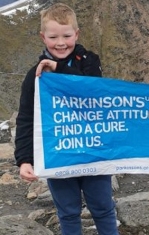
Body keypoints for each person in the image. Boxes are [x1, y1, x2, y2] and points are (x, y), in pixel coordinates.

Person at [14, 3, 119, 235]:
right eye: (53, 37)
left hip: (94, 151)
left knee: (102, 207)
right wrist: (24, 159)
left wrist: (58, 68)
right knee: (68, 212)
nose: (60, 43)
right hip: (59, 152)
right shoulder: (35, 75)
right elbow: (26, 119)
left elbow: (92, 89)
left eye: (67, 36)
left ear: (77, 34)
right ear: (43, 37)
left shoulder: (90, 61)